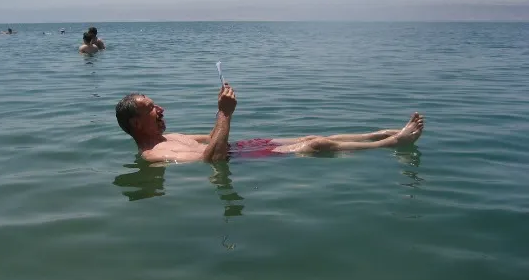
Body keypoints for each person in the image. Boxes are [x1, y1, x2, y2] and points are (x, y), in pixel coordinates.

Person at [115, 83, 425, 164]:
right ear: (136, 123)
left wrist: (221, 108)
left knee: (310, 135)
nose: (160, 108)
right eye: (150, 107)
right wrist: (226, 114)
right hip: (239, 157)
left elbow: (212, 138)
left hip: (239, 147)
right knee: (316, 146)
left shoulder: (174, 136)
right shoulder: (153, 156)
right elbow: (214, 159)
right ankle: (394, 143)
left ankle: (377, 134)